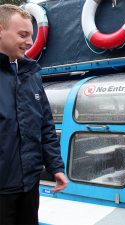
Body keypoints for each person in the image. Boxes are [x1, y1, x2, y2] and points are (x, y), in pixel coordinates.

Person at [0, 4, 67, 225]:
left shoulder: (32, 76)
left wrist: (55, 167)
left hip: (29, 185)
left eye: (31, 35)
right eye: (23, 34)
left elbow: (45, 126)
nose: (30, 42)